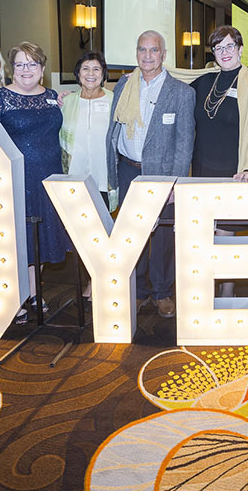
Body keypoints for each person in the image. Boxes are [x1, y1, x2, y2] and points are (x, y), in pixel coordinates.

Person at [0, 42, 71, 322]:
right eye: (19, 64)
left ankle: (32, 291)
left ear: (42, 69)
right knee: (13, 241)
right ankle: (12, 296)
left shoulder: (53, 97)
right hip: (13, 181)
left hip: (48, 178)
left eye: (32, 64)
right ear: (12, 69)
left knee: (38, 239)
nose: (25, 70)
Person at [106, 31, 195, 319]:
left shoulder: (182, 93)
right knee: (133, 234)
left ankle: (162, 292)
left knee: (163, 238)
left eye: (153, 50)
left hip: (162, 176)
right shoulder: (124, 86)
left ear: (163, 54)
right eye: (142, 50)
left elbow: (184, 143)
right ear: (136, 54)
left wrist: (176, 184)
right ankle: (139, 290)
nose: (147, 56)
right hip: (128, 171)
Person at [190, 25, 248, 297]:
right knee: (204, 235)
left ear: (240, 49)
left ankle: (227, 290)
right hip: (202, 168)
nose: (224, 52)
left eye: (229, 46)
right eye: (218, 48)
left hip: (232, 169)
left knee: (225, 237)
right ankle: (205, 290)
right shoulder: (204, 80)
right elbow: (169, 83)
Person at [60, 51, 113, 205]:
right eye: (85, 69)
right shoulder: (66, 101)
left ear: (103, 74)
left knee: (103, 223)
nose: (91, 73)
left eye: (96, 69)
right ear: (78, 73)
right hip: (74, 173)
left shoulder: (114, 100)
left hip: (103, 175)